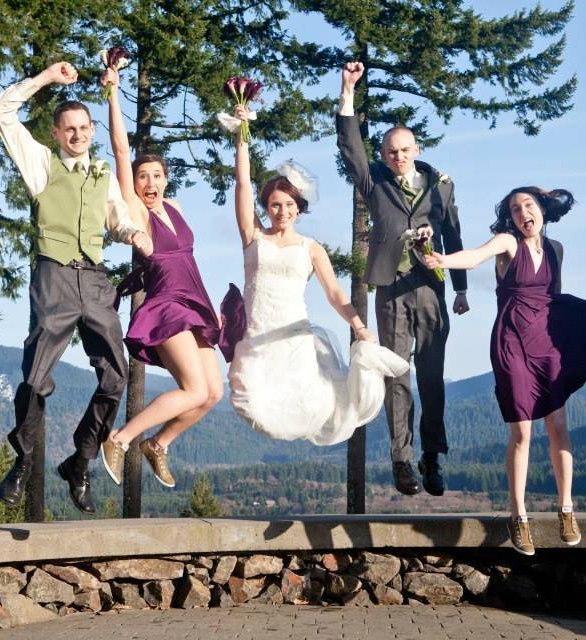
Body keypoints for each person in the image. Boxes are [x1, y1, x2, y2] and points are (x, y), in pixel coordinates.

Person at [424, 187, 586, 555]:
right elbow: (473, 258)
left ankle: (566, 510)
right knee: (522, 433)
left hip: (546, 343)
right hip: (512, 342)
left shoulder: (556, 250)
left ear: (542, 210)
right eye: (515, 208)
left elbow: (556, 302)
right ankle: (518, 517)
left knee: (558, 426)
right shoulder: (506, 242)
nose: (522, 213)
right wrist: (441, 260)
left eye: (528, 205)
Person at [0, 61, 153, 514]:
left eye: (84, 128)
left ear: (91, 131)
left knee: (116, 375)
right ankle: (23, 460)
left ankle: (79, 461)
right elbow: (2, 111)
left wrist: (134, 234)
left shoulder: (101, 174)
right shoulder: (41, 164)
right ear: (57, 133)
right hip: (54, 277)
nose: (78, 135)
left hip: (96, 281)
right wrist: (45, 79)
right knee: (35, 376)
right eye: (69, 129)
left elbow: (118, 217)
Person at [226, 106, 408, 445]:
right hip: (257, 336)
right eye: (275, 205)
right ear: (267, 207)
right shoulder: (253, 238)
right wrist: (241, 138)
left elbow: (335, 295)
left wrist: (360, 327)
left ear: (299, 208)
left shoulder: (311, 248)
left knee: (307, 407)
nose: (281, 211)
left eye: (289, 205)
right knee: (248, 402)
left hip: (294, 337)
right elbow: (242, 185)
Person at [97, 66, 243, 489]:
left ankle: (158, 444)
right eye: (143, 177)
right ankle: (120, 439)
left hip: (194, 304)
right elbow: (121, 152)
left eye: (156, 175)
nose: (150, 182)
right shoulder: (138, 211)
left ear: (166, 180)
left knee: (213, 394)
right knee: (193, 389)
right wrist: (112, 93)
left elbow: (190, 263)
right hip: (166, 308)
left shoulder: (175, 207)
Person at [337, 62, 468, 497]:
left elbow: (453, 233)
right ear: (384, 154)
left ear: (416, 149)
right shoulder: (373, 182)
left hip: (430, 287)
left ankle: (432, 457)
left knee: (431, 375)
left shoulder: (440, 185)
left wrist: (462, 287)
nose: (398, 157)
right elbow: (350, 148)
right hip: (390, 290)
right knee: (396, 375)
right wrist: (348, 92)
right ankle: (402, 460)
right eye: (391, 151)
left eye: (405, 150)